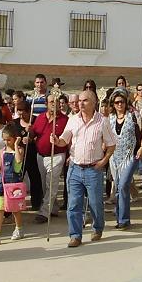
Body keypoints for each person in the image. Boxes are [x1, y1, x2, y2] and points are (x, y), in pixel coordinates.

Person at [51, 89, 116, 248]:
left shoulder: (102, 121)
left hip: (93, 169)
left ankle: (97, 227)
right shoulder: (73, 120)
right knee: (74, 204)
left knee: (95, 203)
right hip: (74, 167)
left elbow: (111, 144)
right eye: (79, 100)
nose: (80, 103)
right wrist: (56, 140)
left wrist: (104, 161)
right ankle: (75, 235)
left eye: (85, 100)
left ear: (93, 102)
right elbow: (64, 141)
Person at [0, 123, 27, 245]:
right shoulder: (2, 151)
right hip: (3, 184)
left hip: (14, 185)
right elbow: (0, 168)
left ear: (15, 138)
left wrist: (17, 145)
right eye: (4, 140)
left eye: (9, 140)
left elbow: (18, 163)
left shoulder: (19, 151)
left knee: (15, 209)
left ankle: (19, 229)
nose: (6, 142)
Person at [31, 93, 69, 223]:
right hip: (41, 156)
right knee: (44, 185)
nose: (54, 103)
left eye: (57, 101)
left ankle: (44, 212)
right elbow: (34, 133)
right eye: (51, 101)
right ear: (46, 104)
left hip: (57, 156)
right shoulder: (40, 117)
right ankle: (53, 207)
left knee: (51, 184)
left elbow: (69, 139)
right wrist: (28, 134)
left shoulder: (65, 120)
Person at [108, 89, 140, 230]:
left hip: (130, 155)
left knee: (123, 185)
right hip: (114, 157)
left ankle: (124, 218)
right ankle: (120, 217)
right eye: (116, 102)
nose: (119, 104)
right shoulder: (110, 118)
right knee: (118, 188)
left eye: (122, 102)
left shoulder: (133, 116)